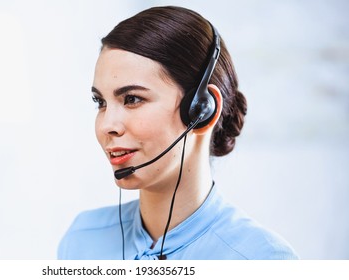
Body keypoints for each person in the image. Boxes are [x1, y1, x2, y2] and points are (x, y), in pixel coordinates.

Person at [58, 6, 298, 260]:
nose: (107, 125)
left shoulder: (262, 260)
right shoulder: (81, 241)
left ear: (201, 110)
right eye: (101, 102)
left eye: (132, 99)